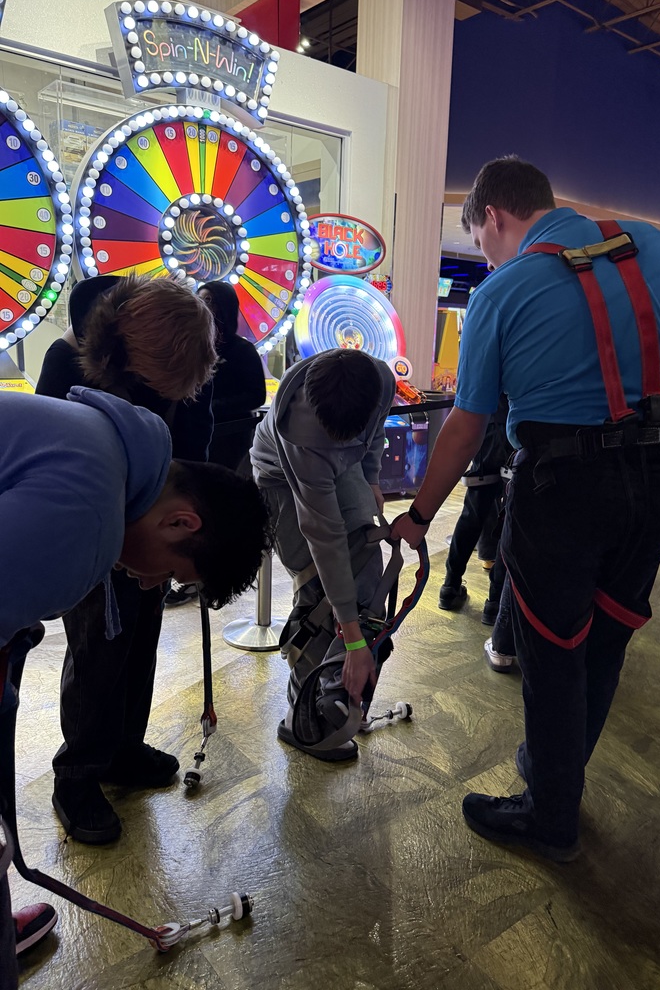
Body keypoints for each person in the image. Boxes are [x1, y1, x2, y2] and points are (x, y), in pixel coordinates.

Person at [392, 155, 660, 862]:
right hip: (655, 485)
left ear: (493, 216)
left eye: (482, 237)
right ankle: (556, 770)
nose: (489, 252)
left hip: (560, 491)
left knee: (551, 652)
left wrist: (421, 514)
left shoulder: (503, 291)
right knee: (607, 638)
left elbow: (466, 424)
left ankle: (551, 815)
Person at [0, 387, 271, 990]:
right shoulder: (86, 529)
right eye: (171, 571)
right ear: (180, 521)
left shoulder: (118, 450)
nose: (150, 585)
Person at [35, 273, 217, 845]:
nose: (175, 393)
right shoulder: (68, 363)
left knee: (141, 642)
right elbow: (55, 469)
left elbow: (192, 444)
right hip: (90, 535)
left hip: (154, 534)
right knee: (97, 654)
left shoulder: (181, 357)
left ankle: (123, 749)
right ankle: (78, 776)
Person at [251, 348, 396, 761]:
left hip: (343, 466)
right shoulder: (302, 431)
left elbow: (376, 432)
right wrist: (350, 638)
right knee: (317, 594)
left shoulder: (380, 379)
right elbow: (324, 536)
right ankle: (303, 718)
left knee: (368, 567)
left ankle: (338, 687)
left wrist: (369, 477)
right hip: (281, 478)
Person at [167, 279, 267, 607]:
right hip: (191, 441)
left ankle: (205, 573)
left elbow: (256, 395)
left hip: (229, 441)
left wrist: (213, 407)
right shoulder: (190, 347)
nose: (204, 305)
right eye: (201, 299)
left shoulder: (241, 350)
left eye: (211, 300)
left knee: (212, 508)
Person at [438, 396, 510, 625]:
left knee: (474, 510)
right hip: (518, 427)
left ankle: (450, 587)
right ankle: (495, 601)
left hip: (486, 428)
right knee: (511, 514)